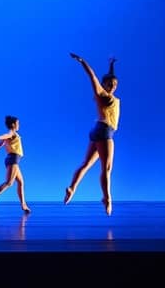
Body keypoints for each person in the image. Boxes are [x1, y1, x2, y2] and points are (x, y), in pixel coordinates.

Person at [64, 53, 120, 216]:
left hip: (97, 131)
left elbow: (108, 76)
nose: (113, 86)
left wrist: (111, 65)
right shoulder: (102, 94)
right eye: (109, 84)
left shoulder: (109, 94)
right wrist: (82, 61)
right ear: (103, 84)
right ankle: (107, 198)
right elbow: (92, 76)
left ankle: (72, 188)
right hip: (104, 131)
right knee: (106, 168)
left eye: (114, 84)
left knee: (86, 164)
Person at [0, 116, 31, 214]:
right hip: (13, 159)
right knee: (9, 183)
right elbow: (5, 136)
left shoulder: (14, 135)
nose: (19, 125)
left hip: (13, 159)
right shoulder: (12, 133)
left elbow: (4, 141)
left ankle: (23, 204)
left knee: (21, 182)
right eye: (18, 123)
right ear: (14, 125)